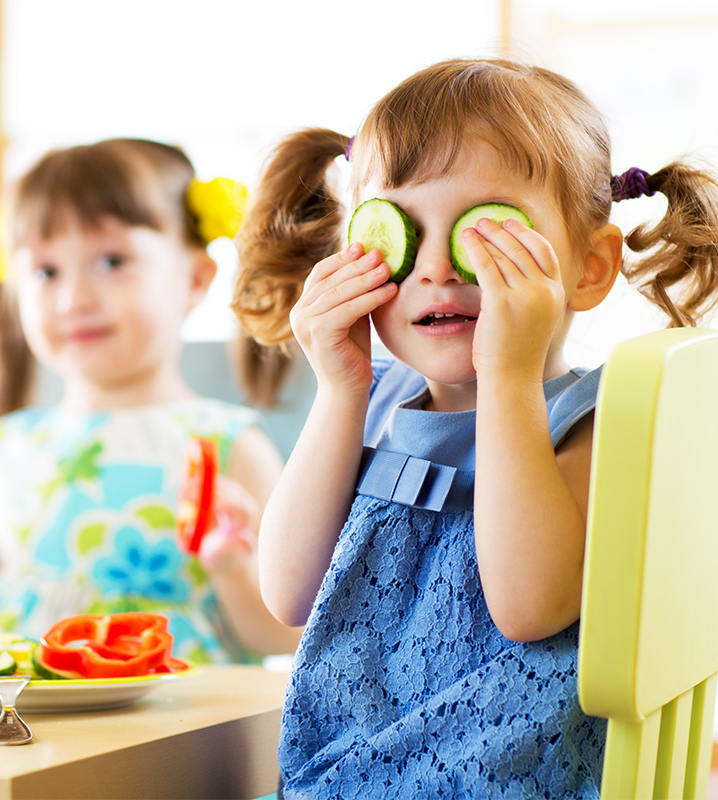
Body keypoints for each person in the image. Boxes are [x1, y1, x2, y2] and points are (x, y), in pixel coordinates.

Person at [231, 59, 718, 797]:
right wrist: (338, 391)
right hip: (337, 779)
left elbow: (528, 608)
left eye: (487, 233)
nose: (435, 267)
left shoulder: (595, 421)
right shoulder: (367, 402)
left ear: (588, 268)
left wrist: (511, 380)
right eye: (399, 233)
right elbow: (289, 593)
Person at [0, 137, 301, 663]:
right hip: (18, 713)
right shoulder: (14, 443)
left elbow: (284, 636)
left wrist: (233, 571)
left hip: (161, 728)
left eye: (112, 261)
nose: (75, 299)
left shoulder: (226, 444)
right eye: (45, 272)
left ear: (195, 278)